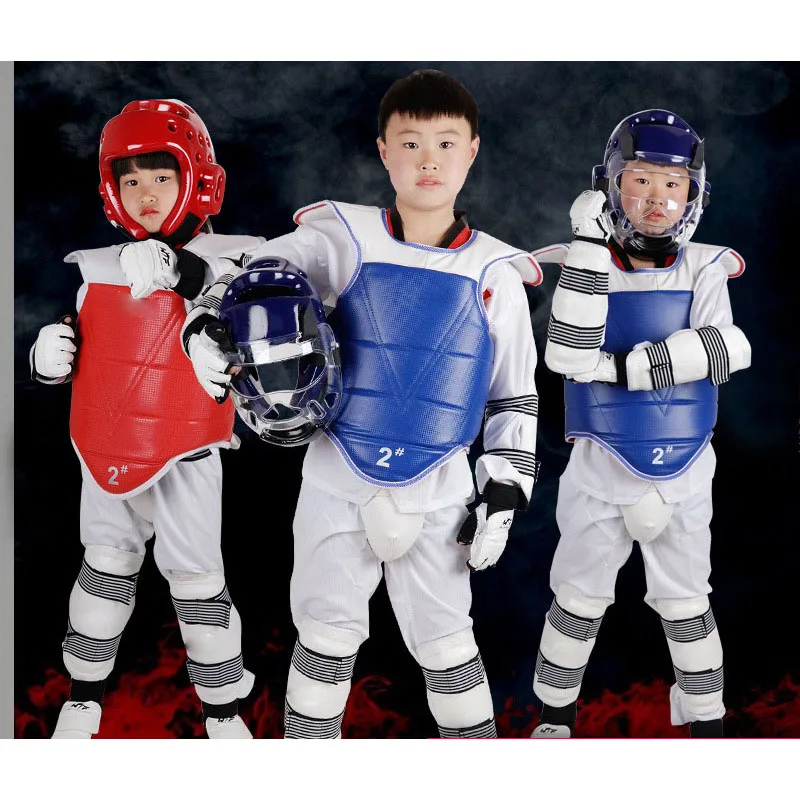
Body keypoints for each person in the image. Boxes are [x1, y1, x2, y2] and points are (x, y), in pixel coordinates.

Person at [182, 69, 543, 738]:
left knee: (448, 649)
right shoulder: (341, 238)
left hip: (440, 492)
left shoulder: (496, 271)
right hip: (336, 477)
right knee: (322, 642)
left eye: (445, 143)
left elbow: (514, 396)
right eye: (410, 143)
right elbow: (245, 276)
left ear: (472, 151)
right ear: (383, 151)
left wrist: (506, 490)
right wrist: (202, 326)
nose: (428, 160)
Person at [30, 99, 265, 739]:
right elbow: (91, 344)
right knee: (103, 569)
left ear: (197, 180)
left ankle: (223, 711)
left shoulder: (233, 261)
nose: (146, 194)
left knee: (197, 583)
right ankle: (82, 698)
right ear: (112, 191)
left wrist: (176, 271)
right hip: (105, 446)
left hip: (188, 451)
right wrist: (49, 358)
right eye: (131, 180)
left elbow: (233, 307)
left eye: (162, 176)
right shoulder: (97, 270)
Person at [530, 109, 751, 738]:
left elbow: (728, 348)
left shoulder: (705, 266)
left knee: (688, 604)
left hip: (687, 474)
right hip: (598, 470)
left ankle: (706, 723)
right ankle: (553, 720)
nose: (658, 198)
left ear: (693, 192)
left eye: (673, 183)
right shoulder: (584, 261)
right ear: (611, 183)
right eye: (642, 180)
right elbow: (568, 356)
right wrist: (587, 251)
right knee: (576, 601)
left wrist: (624, 370)